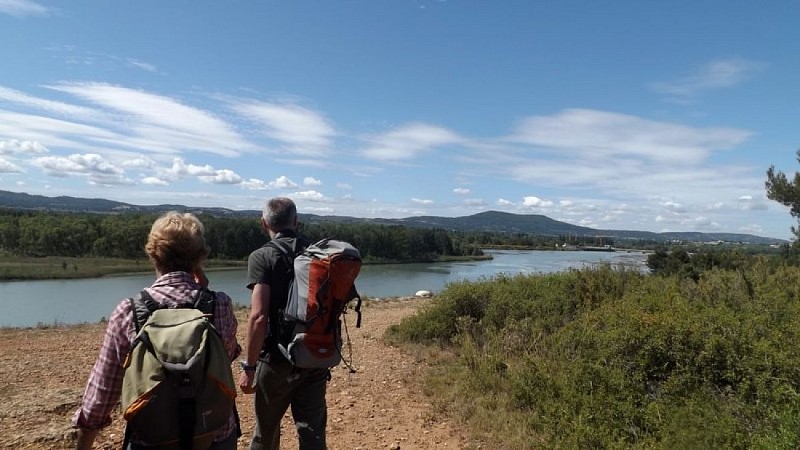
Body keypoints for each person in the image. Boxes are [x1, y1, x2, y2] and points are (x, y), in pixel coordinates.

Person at [73, 211, 241, 450]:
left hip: (152, 438)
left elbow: (103, 390)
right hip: (214, 434)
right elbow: (228, 355)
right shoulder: (220, 304)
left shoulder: (129, 311)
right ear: (201, 257)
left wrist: (84, 441)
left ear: (153, 254)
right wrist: (204, 290)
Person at [239, 197, 328, 450]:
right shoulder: (318, 254)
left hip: (277, 358)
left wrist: (249, 366)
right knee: (313, 432)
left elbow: (258, 316)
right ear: (296, 221)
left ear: (264, 223)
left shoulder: (262, 256)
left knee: (265, 432)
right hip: (315, 353)